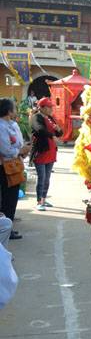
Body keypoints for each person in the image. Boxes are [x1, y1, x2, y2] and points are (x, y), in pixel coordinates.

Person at [0, 99, 30, 240]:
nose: (16, 111)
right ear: (8, 111)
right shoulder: (1, 126)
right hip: (5, 167)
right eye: (14, 108)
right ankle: (5, 229)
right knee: (7, 199)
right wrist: (20, 150)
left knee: (11, 198)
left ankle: (8, 227)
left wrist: (23, 150)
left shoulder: (12, 124)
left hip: (14, 164)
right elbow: (5, 149)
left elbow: (17, 142)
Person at [30, 97, 63, 210]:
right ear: (42, 108)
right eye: (49, 107)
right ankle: (39, 201)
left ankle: (43, 199)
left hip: (51, 152)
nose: (50, 109)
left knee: (47, 178)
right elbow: (39, 130)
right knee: (42, 177)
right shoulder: (36, 117)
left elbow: (59, 133)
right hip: (41, 151)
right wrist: (52, 135)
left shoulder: (50, 118)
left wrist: (58, 130)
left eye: (51, 107)